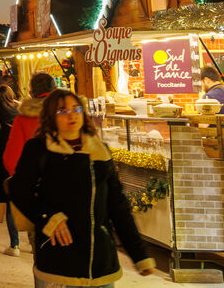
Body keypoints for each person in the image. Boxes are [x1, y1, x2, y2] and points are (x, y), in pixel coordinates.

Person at [9, 90, 155, 286]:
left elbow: (118, 205)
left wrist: (139, 254)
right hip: (59, 258)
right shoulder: (38, 149)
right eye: (62, 110)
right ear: (50, 116)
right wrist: (49, 217)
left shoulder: (100, 150)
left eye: (76, 109)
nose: (72, 115)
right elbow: (19, 191)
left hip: (100, 261)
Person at [0, 84, 22, 256]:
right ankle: (33, 243)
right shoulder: (20, 114)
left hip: (2, 161)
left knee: (9, 203)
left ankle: (15, 244)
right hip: (20, 159)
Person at [3, 71, 56, 179]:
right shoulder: (69, 112)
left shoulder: (23, 119)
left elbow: (11, 159)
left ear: (31, 94)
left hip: (36, 180)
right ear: (56, 90)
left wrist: (24, 180)